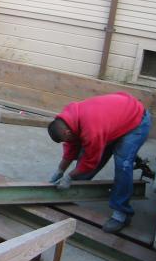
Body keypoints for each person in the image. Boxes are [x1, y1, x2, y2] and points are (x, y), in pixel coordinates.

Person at [47, 92, 150, 233]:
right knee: (87, 153)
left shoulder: (91, 129)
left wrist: (69, 176)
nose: (67, 141)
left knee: (122, 165)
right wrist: (60, 170)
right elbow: (71, 146)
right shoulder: (67, 119)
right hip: (113, 119)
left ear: (66, 133)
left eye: (65, 139)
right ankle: (75, 189)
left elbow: (91, 161)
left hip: (136, 122)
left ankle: (122, 213)